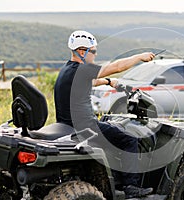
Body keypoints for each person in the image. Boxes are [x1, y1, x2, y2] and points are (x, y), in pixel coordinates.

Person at [54, 30, 155, 198]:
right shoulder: (83, 70)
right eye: (93, 51)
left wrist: (108, 82)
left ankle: (114, 179)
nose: (95, 54)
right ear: (81, 51)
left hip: (67, 125)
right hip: (86, 127)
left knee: (112, 134)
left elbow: (89, 81)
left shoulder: (68, 69)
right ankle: (131, 187)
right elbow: (116, 67)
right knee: (129, 139)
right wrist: (139, 57)